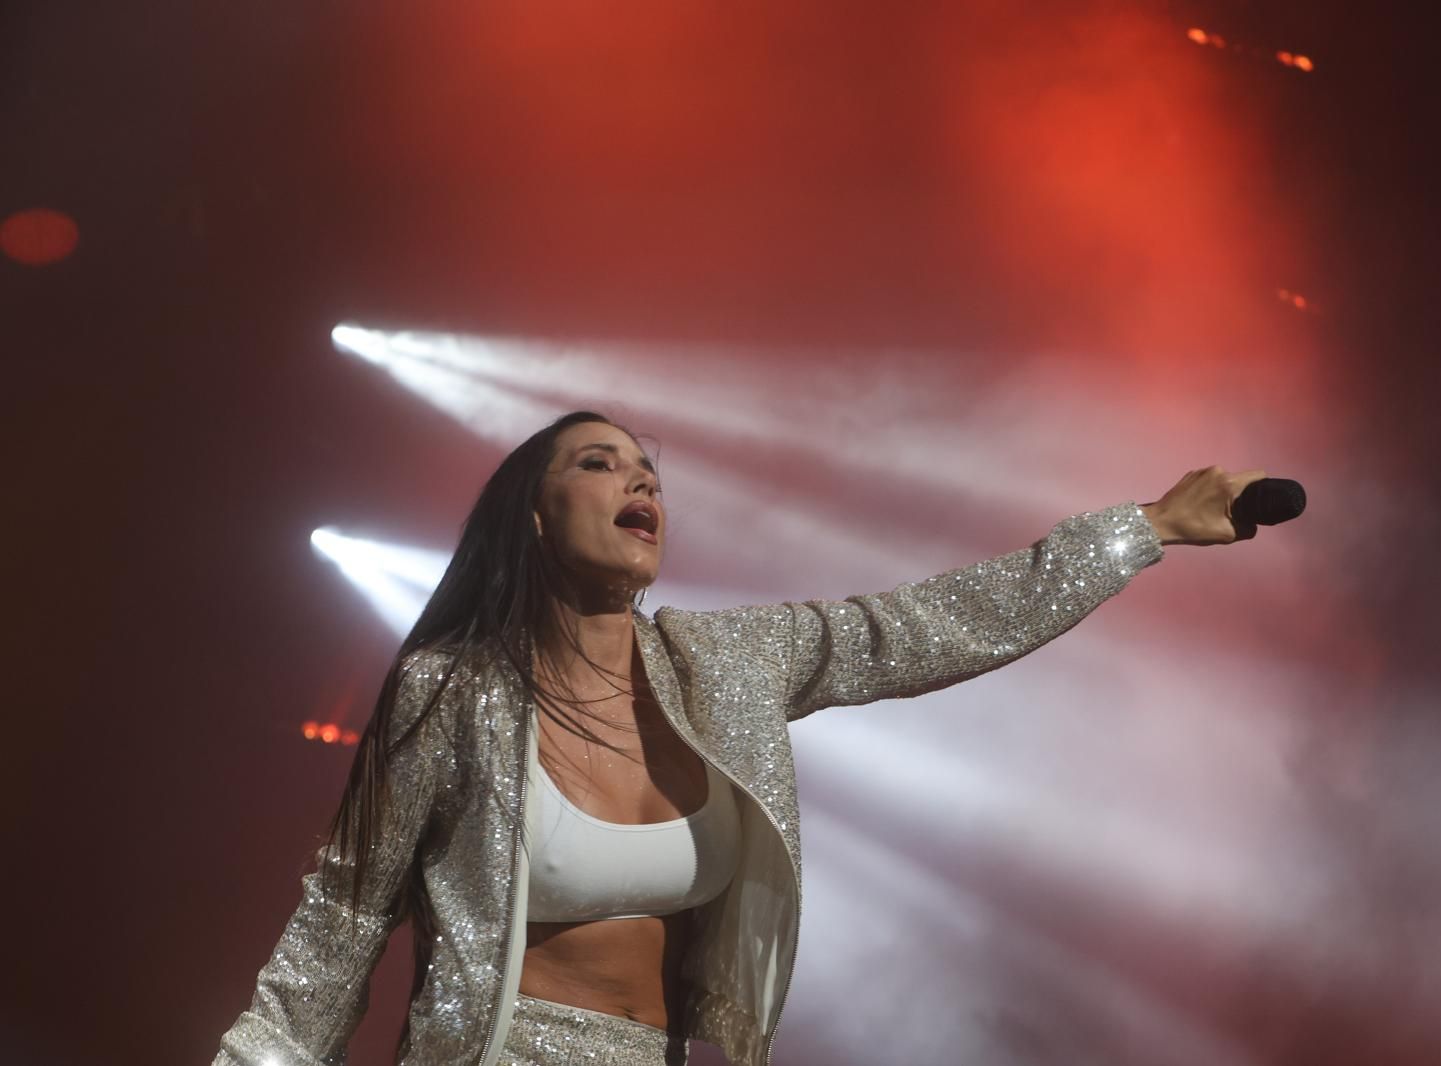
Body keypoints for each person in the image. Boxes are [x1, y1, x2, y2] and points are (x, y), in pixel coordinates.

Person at [214, 410, 1266, 1066]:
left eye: (649, 470)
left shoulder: (723, 664)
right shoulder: (451, 692)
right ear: (532, 517)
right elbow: (340, 925)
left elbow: (920, 628)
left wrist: (1141, 527)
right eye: (599, 463)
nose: (642, 483)